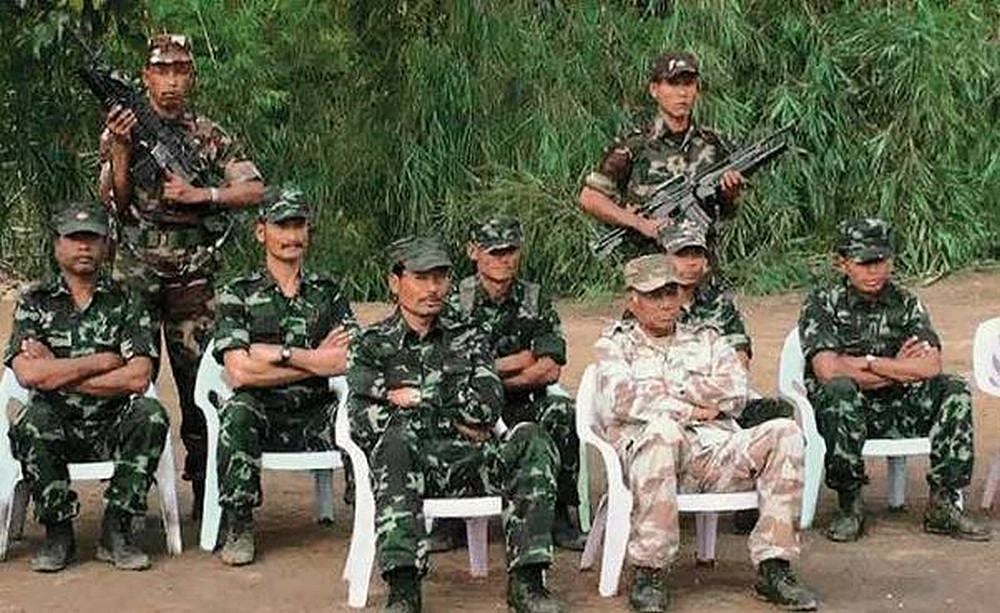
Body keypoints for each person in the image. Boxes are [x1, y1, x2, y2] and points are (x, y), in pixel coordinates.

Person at [348, 236, 566, 613]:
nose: (433, 289)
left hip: (472, 462)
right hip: (411, 466)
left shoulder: (471, 336)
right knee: (394, 442)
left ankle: (527, 583)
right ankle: (403, 589)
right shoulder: (371, 344)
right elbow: (363, 422)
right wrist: (448, 407)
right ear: (395, 282)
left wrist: (413, 398)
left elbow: (485, 408)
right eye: (421, 278)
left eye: (440, 278)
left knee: (532, 437)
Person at [98, 33, 266, 515]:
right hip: (136, 275)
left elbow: (254, 190)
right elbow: (116, 201)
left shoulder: (206, 134)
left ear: (191, 76)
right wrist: (123, 150)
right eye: (161, 71)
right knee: (130, 381)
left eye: (180, 70)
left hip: (193, 277)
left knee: (200, 386)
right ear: (145, 77)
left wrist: (203, 196)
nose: (171, 81)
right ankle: (129, 498)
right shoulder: (120, 128)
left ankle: (206, 492)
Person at [593, 254, 817, 612]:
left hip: (714, 453)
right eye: (654, 295)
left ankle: (775, 567)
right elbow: (624, 400)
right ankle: (649, 571)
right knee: (663, 432)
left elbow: (735, 390)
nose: (667, 303)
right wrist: (695, 406)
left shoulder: (707, 338)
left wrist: (669, 393)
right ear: (632, 300)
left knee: (785, 432)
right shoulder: (615, 345)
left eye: (672, 292)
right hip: (651, 458)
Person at [798, 218, 990, 543]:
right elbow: (828, 370)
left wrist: (868, 364)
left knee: (953, 389)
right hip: (846, 412)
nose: (874, 271)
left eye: (880, 261)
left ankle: (944, 503)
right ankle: (850, 504)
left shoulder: (907, 303)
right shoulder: (822, 303)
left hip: (899, 408)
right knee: (839, 391)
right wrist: (898, 367)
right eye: (864, 263)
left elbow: (929, 366)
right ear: (842, 263)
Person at [5, 202, 168, 572]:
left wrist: (58, 370)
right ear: (57, 245)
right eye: (75, 238)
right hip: (57, 421)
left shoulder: (128, 300)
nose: (83, 247)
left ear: (106, 245)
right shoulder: (35, 301)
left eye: (92, 239)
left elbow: (138, 376)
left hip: (113, 421)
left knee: (151, 414)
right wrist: (99, 361)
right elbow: (28, 375)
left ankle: (117, 529)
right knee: (31, 421)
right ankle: (57, 532)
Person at [211, 189, 357, 565]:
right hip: (262, 413)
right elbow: (240, 373)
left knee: (364, 408)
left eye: (298, 225)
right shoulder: (236, 293)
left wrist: (282, 354)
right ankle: (239, 523)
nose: (292, 235)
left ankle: (371, 516)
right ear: (261, 232)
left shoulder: (328, 291)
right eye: (282, 225)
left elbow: (349, 360)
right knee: (237, 410)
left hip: (317, 412)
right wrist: (316, 358)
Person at [446, 216, 585, 551]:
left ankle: (559, 516)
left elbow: (549, 369)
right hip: (470, 402)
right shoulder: (452, 302)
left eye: (510, 251)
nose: (503, 260)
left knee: (562, 410)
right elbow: (448, 369)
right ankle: (449, 518)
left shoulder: (534, 299)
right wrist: (519, 360)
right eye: (494, 252)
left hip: (523, 400)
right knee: (441, 410)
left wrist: (487, 376)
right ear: (473, 252)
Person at [578, 51, 744, 259]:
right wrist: (640, 223)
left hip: (701, 265)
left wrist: (730, 193)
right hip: (652, 271)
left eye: (689, 84)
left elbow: (726, 211)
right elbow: (590, 198)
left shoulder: (715, 142)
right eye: (673, 84)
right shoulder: (634, 145)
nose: (682, 93)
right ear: (654, 90)